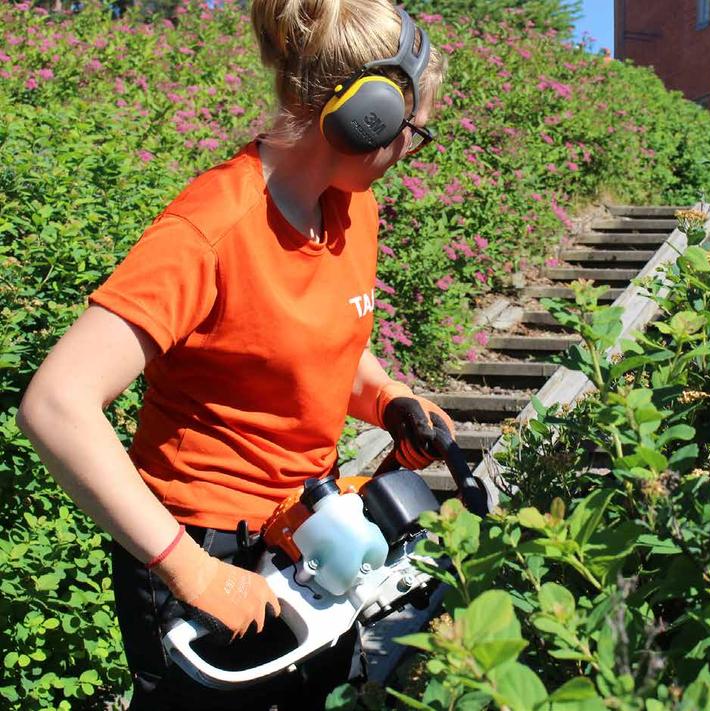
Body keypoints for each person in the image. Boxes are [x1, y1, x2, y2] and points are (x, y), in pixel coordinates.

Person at [16, 0, 452, 708]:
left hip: (312, 528)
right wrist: (192, 572)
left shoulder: (350, 206)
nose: (410, 150)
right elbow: (56, 402)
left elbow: (322, 346)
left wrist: (387, 398)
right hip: (200, 540)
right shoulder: (213, 227)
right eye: (411, 132)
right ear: (363, 116)